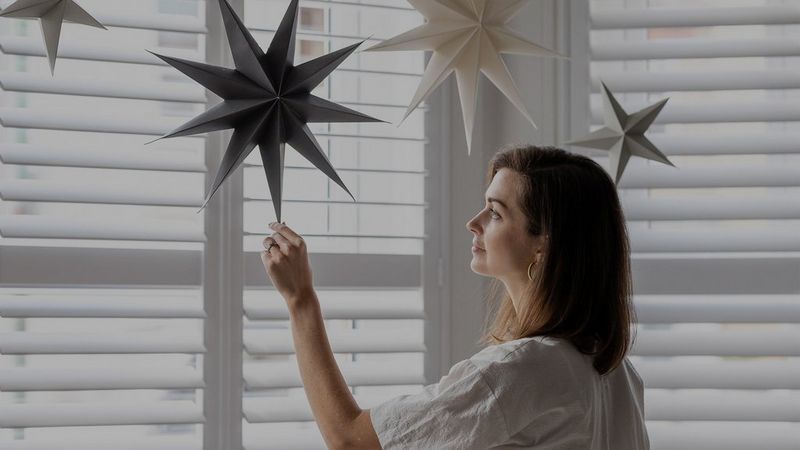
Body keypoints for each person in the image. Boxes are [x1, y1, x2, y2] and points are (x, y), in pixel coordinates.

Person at [261, 145, 650, 450]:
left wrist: (301, 301)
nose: (474, 223)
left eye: (495, 213)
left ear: (543, 245)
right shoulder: (616, 372)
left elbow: (351, 441)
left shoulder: (519, 371)